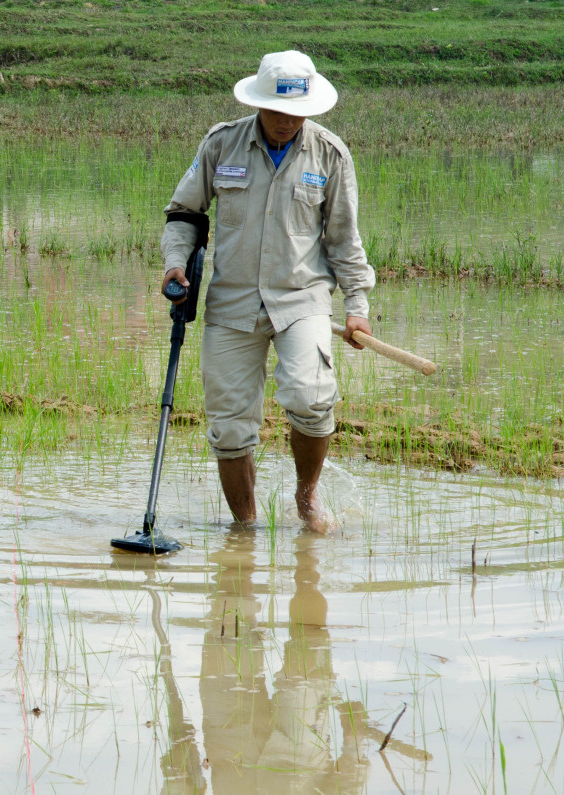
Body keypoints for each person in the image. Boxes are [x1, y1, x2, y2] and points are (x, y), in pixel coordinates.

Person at [160, 50, 375, 530]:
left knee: (310, 396)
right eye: (277, 111)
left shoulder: (330, 154)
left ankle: (307, 496)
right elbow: (184, 213)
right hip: (232, 303)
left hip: (302, 299)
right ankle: (245, 527)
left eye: (297, 113)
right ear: (258, 103)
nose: (286, 122)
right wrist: (176, 263)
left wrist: (357, 304)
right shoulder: (221, 145)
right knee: (231, 428)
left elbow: (343, 239)